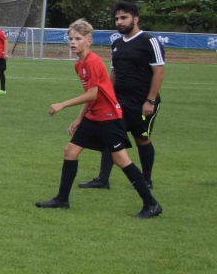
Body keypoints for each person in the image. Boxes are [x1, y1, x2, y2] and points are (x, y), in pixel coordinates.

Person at [36, 19, 161, 217]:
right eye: (71, 38)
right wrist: (79, 119)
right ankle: (62, 199)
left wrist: (63, 104)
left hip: (109, 118)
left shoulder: (93, 62)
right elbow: (91, 95)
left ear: (89, 41)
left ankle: (151, 204)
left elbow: (93, 94)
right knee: (70, 151)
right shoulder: (79, 64)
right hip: (94, 116)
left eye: (78, 38)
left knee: (121, 160)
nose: (73, 42)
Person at [82, 2, 165, 191]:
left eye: (124, 18)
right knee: (110, 135)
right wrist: (107, 97)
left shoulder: (149, 41)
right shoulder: (117, 44)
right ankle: (103, 180)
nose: (119, 22)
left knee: (141, 139)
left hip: (142, 102)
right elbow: (114, 73)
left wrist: (150, 100)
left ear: (135, 19)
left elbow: (159, 72)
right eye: (117, 18)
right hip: (118, 101)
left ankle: (146, 180)